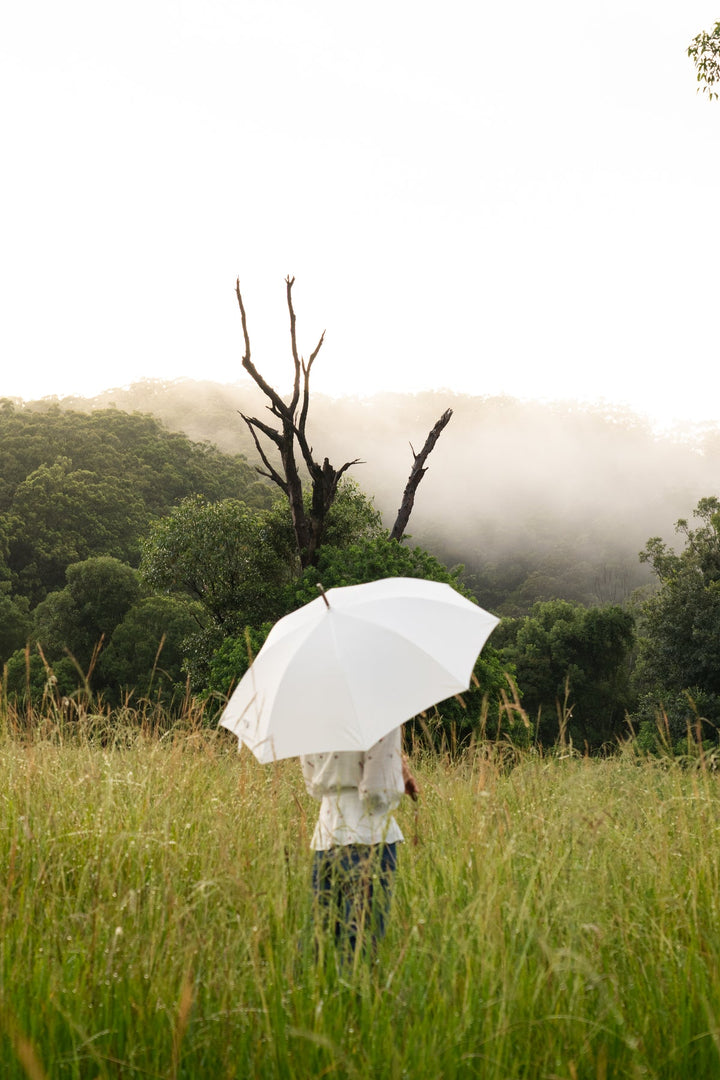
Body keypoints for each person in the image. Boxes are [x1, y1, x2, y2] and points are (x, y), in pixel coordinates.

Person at [300, 727, 419, 960]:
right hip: (370, 835)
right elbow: (376, 791)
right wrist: (395, 778)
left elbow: (312, 784)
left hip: (326, 835)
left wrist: (399, 768)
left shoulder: (313, 711)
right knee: (361, 953)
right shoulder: (381, 708)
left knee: (323, 950)